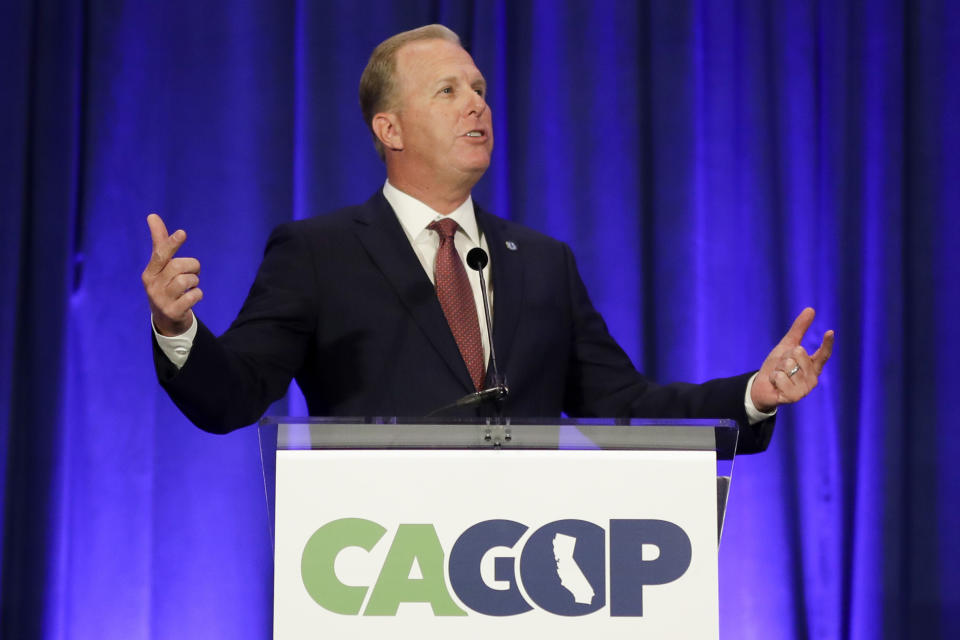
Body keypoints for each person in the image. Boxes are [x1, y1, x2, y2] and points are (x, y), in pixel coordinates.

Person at [142, 25, 833, 453]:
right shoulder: (318, 253)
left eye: (478, 87)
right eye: (447, 90)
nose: (477, 102)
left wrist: (752, 395)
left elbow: (625, 408)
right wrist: (178, 328)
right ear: (391, 130)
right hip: (377, 578)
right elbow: (231, 397)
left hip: (519, 573)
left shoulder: (541, 263)